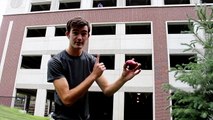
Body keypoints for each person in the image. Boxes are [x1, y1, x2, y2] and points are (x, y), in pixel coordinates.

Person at [47, 16, 141, 120]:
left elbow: (107, 90)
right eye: (75, 33)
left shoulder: (91, 61)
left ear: (88, 36)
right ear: (68, 34)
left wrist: (123, 78)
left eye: (83, 33)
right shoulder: (56, 62)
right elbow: (67, 99)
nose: (79, 37)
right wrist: (93, 75)